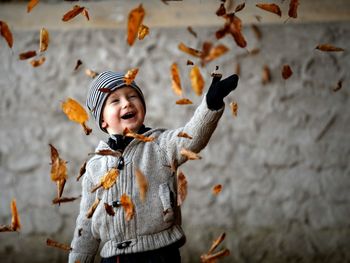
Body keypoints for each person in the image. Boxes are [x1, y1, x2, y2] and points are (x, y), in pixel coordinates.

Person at [69, 70, 239, 263]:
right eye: (115, 101)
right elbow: (86, 221)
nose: (126, 103)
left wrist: (210, 104)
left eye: (132, 96)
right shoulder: (95, 166)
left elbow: (192, 138)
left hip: (160, 254)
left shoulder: (161, 144)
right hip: (113, 257)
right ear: (102, 121)